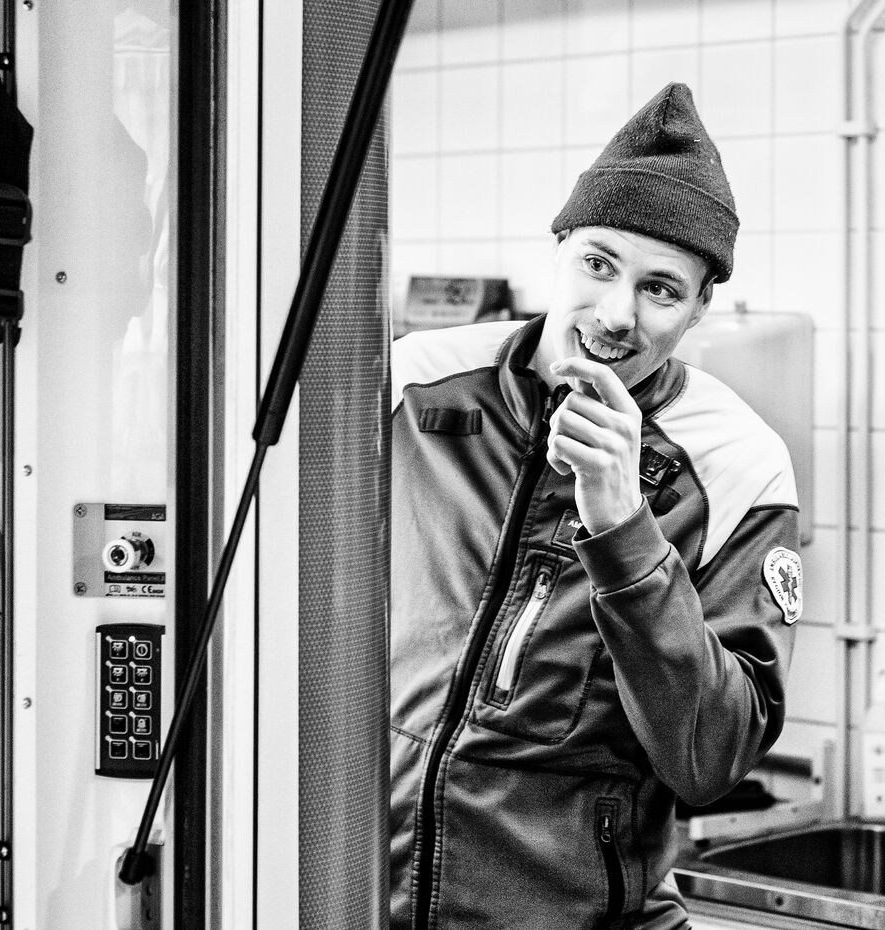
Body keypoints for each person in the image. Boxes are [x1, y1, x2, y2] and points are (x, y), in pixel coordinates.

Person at [389, 83, 802, 930]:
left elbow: (712, 758)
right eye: (599, 264)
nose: (616, 315)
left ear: (699, 307)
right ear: (560, 249)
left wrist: (623, 531)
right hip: (364, 896)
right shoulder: (412, 384)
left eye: (661, 289)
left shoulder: (738, 464)